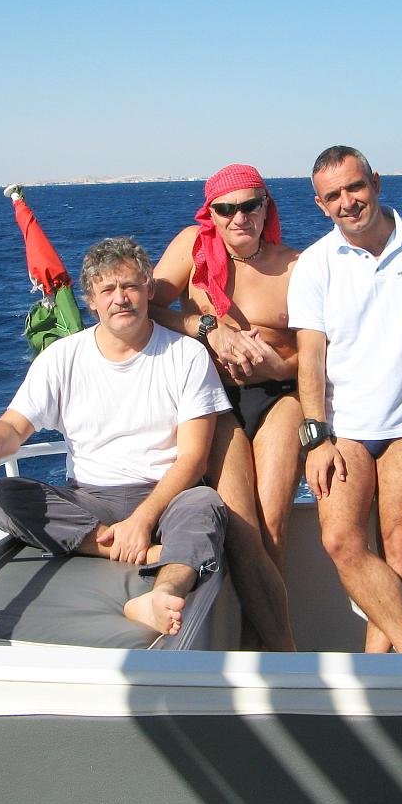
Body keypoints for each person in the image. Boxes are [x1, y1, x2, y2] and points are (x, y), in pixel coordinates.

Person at [0, 236, 230, 637]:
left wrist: (142, 519)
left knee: (204, 503)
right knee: (4, 496)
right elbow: (13, 426)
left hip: (165, 498)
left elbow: (193, 459)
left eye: (131, 286)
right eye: (108, 289)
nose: (121, 298)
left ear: (149, 290)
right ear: (91, 300)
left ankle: (162, 594)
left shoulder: (186, 355)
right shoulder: (62, 358)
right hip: (89, 500)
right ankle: (143, 551)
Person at [287, 145, 402, 654]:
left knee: (400, 541)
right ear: (320, 204)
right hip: (343, 427)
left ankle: (381, 671)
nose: (347, 202)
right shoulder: (315, 264)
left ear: (376, 181)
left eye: (355, 187)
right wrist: (315, 439)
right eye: (333, 195)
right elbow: (310, 358)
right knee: (340, 541)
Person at [152, 164, 299, 651]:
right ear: (210, 213)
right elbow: (148, 308)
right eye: (226, 208)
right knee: (242, 529)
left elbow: (319, 352)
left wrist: (277, 365)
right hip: (213, 400)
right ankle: (281, 654)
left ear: (266, 207)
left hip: (278, 397)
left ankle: (265, 654)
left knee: (272, 527)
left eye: (251, 205)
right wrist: (207, 327)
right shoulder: (191, 248)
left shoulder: (295, 266)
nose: (240, 217)